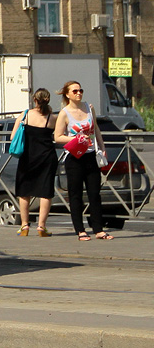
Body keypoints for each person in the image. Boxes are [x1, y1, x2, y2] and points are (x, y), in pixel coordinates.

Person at [54, 79, 112, 241]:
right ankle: (80, 230)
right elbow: (58, 137)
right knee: (76, 194)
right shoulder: (64, 113)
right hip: (74, 157)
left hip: (91, 155)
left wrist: (102, 147)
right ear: (67, 95)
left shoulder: (88, 108)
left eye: (80, 90)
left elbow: (96, 129)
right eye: (75, 91)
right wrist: (75, 138)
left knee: (94, 193)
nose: (78, 93)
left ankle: (98, 229)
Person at [10, 88, 57, 236]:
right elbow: (60, 135)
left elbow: (13, 137)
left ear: (34, 100)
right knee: (45, 192)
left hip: (27, 158)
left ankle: (24, 226)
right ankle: (41, 227)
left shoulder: (26, 115)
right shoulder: (52, 118)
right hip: (47, 158)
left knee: (24, 191)